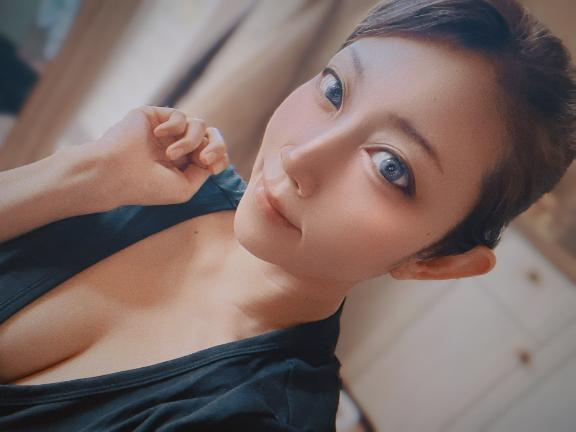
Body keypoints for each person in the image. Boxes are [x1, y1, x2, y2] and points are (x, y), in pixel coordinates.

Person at [0, 0, 574, 430]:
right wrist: (85, 172)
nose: (299, 157)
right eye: (335, 91)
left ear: (438, 261)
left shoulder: (255, 416)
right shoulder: (149, 185)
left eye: (391, 167)